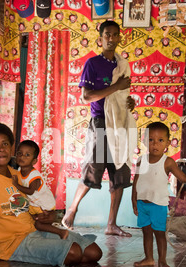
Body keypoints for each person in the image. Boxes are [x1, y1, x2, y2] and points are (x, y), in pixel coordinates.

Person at [0, 122, 102, 267]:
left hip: (36, 229)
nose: (1, 149)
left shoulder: (18, 175)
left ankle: (62, 254)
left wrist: (46, 216)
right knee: (74, 252)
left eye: (5, 144)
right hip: (13, 243)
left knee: (94, 252)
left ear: (12, 148)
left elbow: (28, 206)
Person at [62, 20, 136, 237]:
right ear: (101, 38)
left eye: (115, 35)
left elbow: (122, 96)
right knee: (94, 168)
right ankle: (72, 210)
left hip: (119, 123)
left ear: (120, 38)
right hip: (101, 123)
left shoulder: (122, 64)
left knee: (120, 171)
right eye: (107, 35)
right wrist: (115, 87)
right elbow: (87, 96)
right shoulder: (93, 64)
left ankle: (111, 224)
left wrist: (130, 103)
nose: (111, 39)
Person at [132, 122, 186, 267]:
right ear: (144, 141)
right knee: (146, 233)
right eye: (151, 140)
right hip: (142, 204)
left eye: (160, 140)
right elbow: (136, 181)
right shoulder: (140, 160)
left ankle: (162, 261)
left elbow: (182, 178)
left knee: (160, 234)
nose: (155, 144)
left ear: (168, 143)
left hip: (158, 205)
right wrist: (134, 200)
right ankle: (149, 258)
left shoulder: (167, 162)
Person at [12, 139, 68, 239]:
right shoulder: (19, 170)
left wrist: (16, 184)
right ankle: (51, 235)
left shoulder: (34, 176)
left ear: (34, 161)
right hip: (35, 204)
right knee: (36, 223)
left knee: (39, 225)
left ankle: (61, 232)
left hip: (45, 205)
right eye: (19, 153)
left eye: (27, 155)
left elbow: (30, 191)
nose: (22, 157)